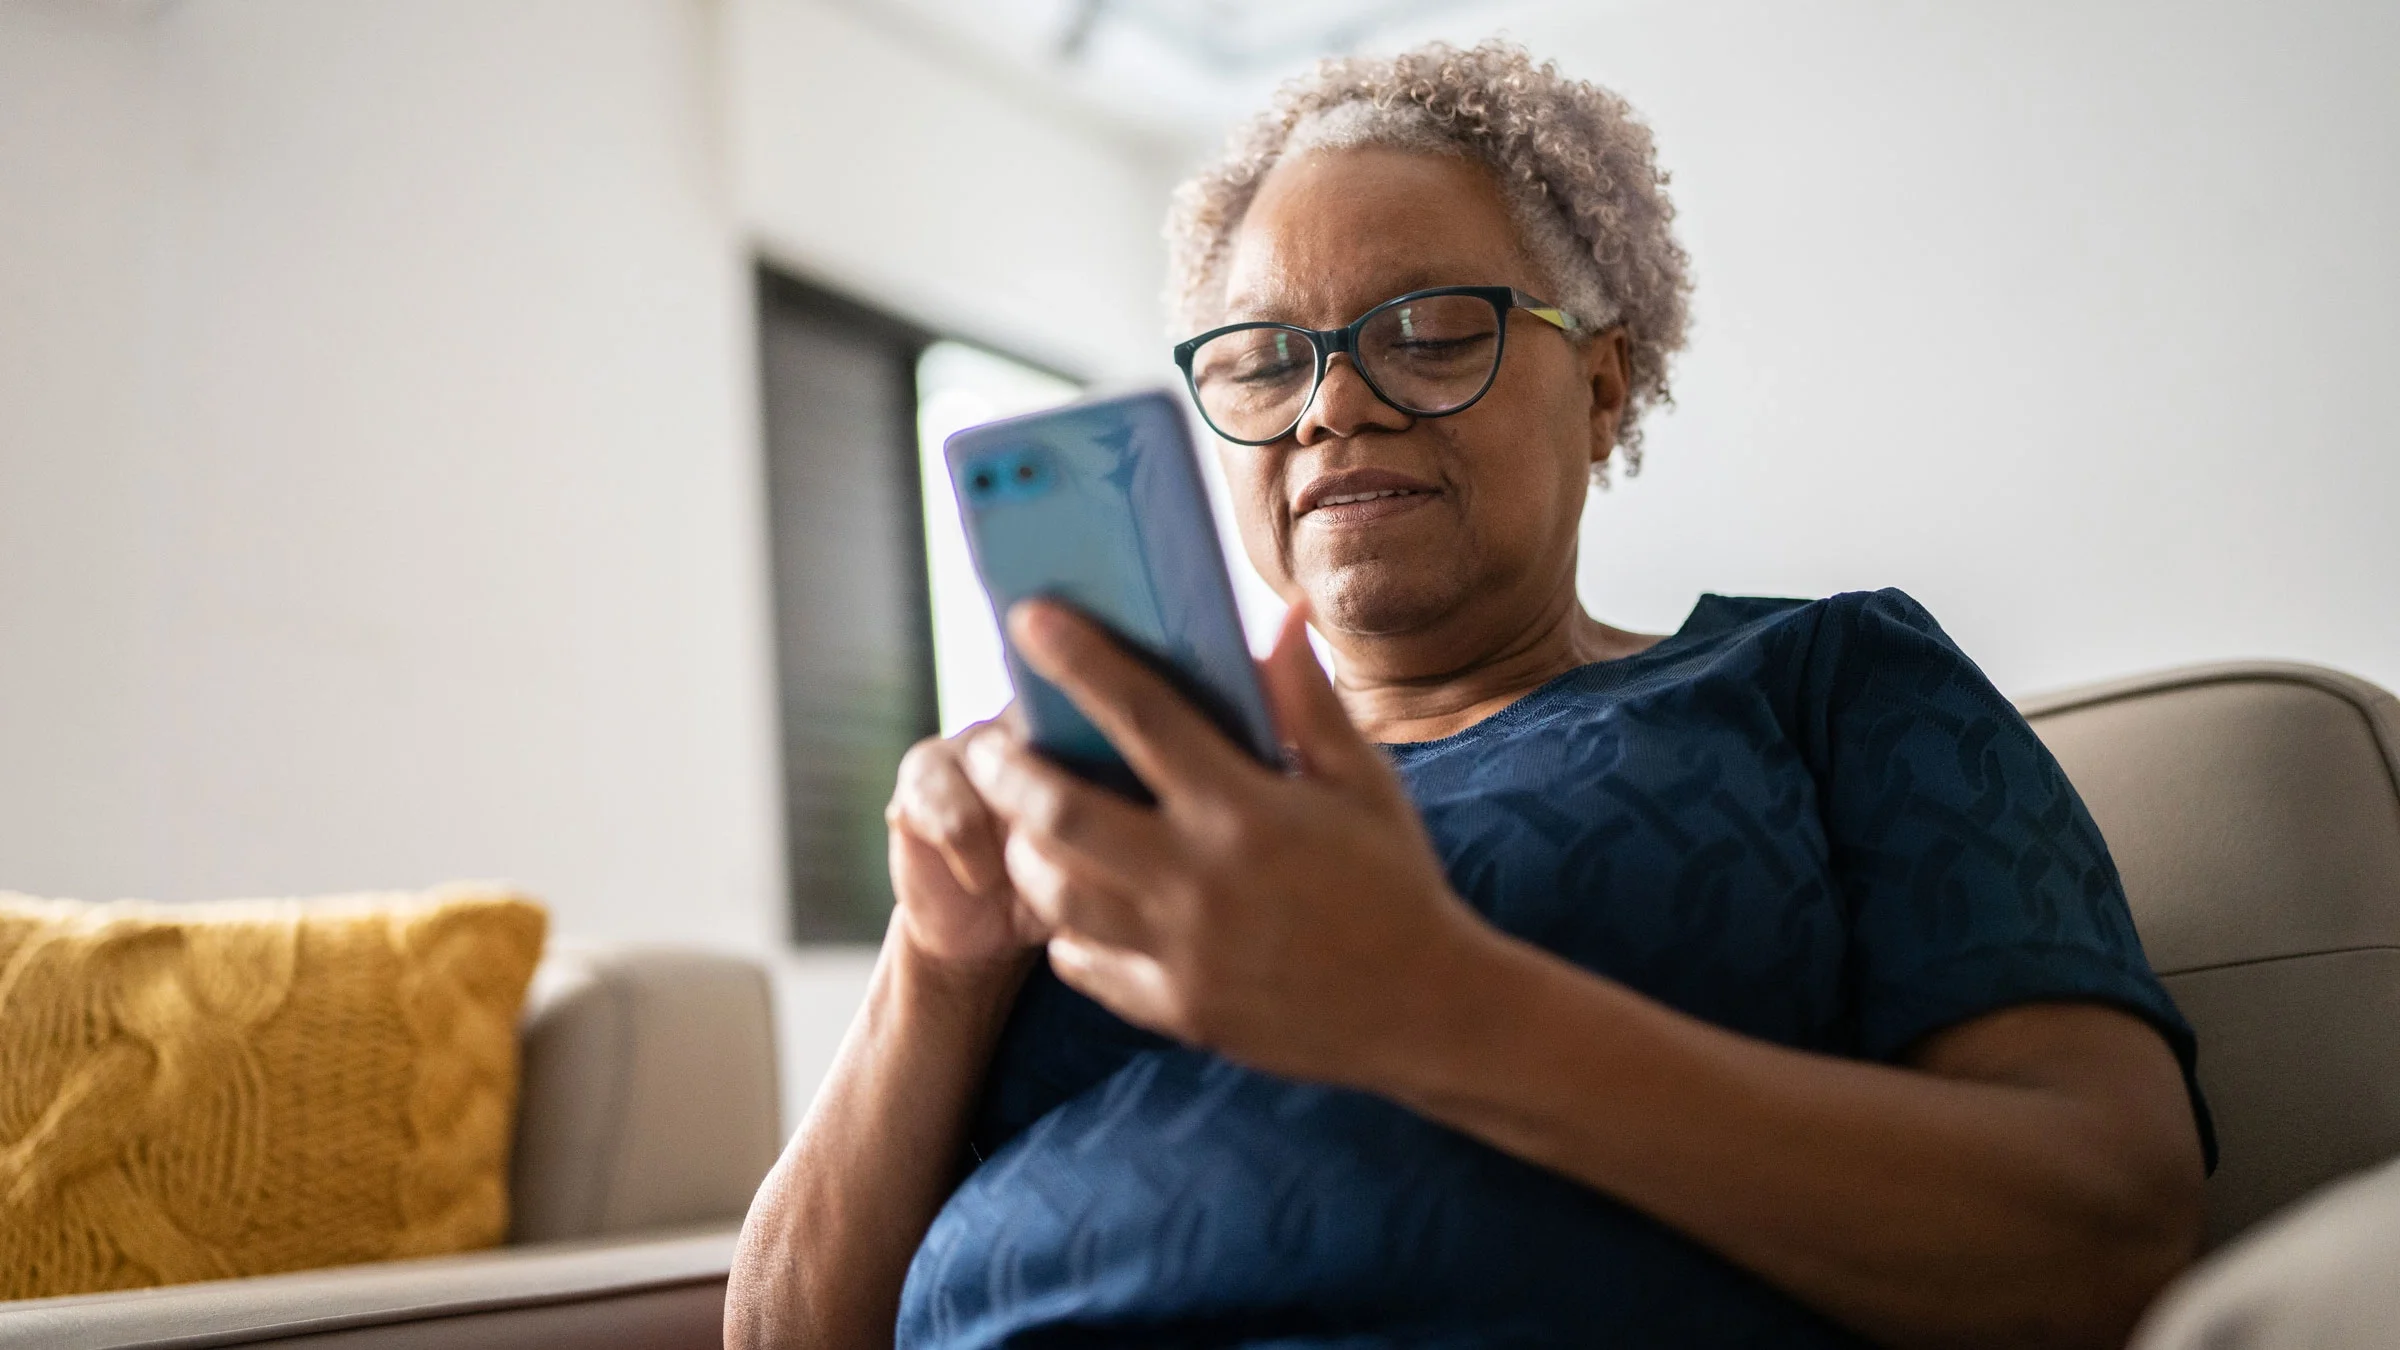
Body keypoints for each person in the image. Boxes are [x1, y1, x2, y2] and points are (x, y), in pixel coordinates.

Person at [727, 40, 2213, 1350]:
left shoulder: (1821, 686)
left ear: (1607, 382)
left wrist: (1431, 1003)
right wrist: (940, 961)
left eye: (1431, 333)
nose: (1333, 405)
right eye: (1261, 363)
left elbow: (2103, 1239)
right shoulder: (1118, 814)